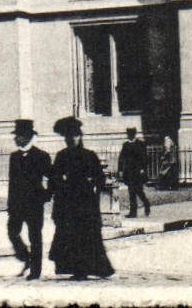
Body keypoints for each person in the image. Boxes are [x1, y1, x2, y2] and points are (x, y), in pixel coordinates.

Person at [48, 116, 113, 280]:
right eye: (68, 137)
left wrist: (91, 182)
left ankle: (85, 270)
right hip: (67, 202)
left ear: (80, 137)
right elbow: (54, 178)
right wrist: (59, 184)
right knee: (69, 235)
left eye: (74, 136)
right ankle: (75, 269)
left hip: (85, 203)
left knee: (86, 236)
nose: (71, 139)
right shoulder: (61, 156)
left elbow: (100, 178)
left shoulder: (89, 155)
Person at [6, 118, 51, 280]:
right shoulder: (14, 157)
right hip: (17, 204)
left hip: (34, 204)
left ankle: (35, 271)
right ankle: (26, 257)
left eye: (18, 135)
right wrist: (10, 204)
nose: (15, 138)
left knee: (35, 236)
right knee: (12, 232)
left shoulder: (42, 156)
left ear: (27, 137)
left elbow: (52, 177)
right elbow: (12, 183)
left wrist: (46, 195)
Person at [117, 127, 150, 218]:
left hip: (137, 171)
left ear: (134, 134)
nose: (129, 136)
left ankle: (146, 203)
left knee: (138, 190)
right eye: (128, 134)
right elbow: (121, 158)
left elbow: (144, 157)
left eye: (131, 134)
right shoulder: (126, 145)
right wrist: (120, 170)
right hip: (128, 171)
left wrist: (143, 168)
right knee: (131, 191)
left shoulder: (140, 144)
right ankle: (133, 212)